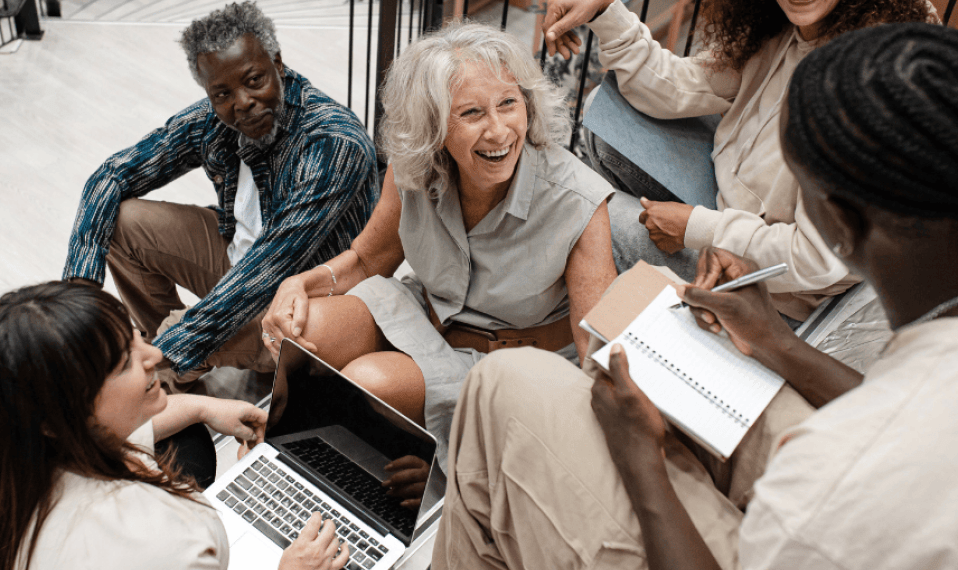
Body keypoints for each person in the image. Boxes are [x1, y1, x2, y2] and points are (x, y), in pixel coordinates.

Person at [432, 22, 958, 570]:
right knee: (670, 352)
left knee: (503, 384)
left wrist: (645, 468)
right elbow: (887, 401)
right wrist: (777, 342)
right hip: (879, 484)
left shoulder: (812, 490)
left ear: (836, 224)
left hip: (820, 530)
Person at [259, 23, 617, 465]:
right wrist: (299, 284)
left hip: (506, 364)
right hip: (424, 316)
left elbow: (595, 351)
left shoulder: (578, 201)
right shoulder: (414, 167)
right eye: (471, 114)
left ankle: (400, 460)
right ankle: (295, 458)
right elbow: (369, 259)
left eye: (509, 104)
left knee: (367, 382)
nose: (499, 131)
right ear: (433, 123)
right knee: (304, 329)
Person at [541, 0, 937, 321]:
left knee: (593, 219)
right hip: (731, 209)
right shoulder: (783, 31)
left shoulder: (867, 85)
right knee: (605, 116)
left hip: (778, 293)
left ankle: (605, 335)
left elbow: (815, 260)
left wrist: (696, 227)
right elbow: (676, 86)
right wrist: (605, 11)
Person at [0, 281, 350, 570]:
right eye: (126, 363)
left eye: (136, 337)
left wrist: (204, 407)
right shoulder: (174, 538)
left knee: (187, 434)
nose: (155, 357)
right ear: (63, 416)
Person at [63, 1, 379, 394]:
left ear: (278, 64)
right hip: (241, 264)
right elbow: (112, 174)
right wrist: (79, 292)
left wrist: (171, 346)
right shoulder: (214, 120)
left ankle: (165, 370)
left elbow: (269, 270)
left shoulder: (332, 141)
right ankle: (175, 367)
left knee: (163, 348)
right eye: (223, 93)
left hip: (310, 300)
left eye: (254, 80)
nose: (242, 101)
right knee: (123, 220)